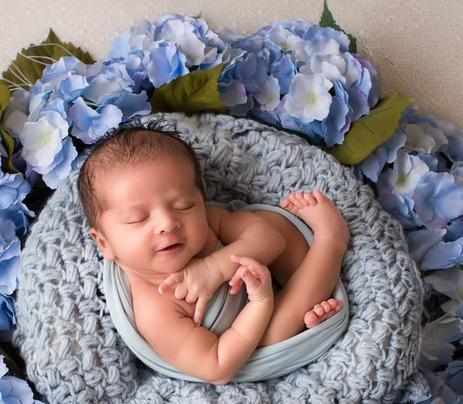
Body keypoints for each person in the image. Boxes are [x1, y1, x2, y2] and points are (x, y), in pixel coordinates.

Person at [79, 120, 350, 385]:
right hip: (246, 339)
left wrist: (215, 267)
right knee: (272, 330)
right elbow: (218, 367)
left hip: (268, 277)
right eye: (138, 218)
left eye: (184, 205)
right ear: (104, 243)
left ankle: (309, 292)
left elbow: (271, 240)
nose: (167, 223)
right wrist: (260, 304)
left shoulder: (207, 221)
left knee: (271, 223)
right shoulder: (153, 307)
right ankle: (330, 241)